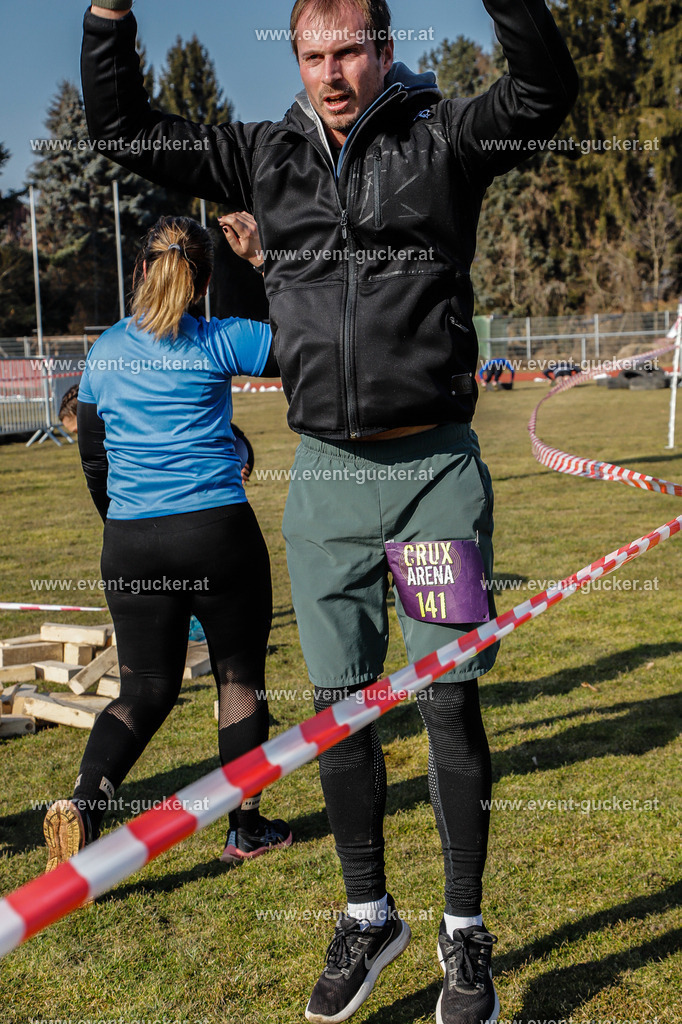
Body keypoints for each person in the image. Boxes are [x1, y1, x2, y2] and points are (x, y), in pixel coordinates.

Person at [81, 3, 578, 1021]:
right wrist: (106, 16)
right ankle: (367, 911)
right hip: (326, 485)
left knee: (447, 700)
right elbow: (124, 128)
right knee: (338, 707)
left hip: (433, 471)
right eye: (313, 55)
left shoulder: (440, 141)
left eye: (349, 50)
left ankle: (463, 935)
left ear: (384, 49)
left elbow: (542, 94)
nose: (332, 72)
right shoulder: (264, 157)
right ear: (296, 60)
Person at [43, 215, 292, 876]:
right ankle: (245, 828)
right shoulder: (221, 338)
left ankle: (87, 803)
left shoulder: (104, 353)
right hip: (217, 534)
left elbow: (93, 462)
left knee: (143, 690)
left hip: (132, 541)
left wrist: (121, 527)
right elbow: (305, 340)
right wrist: (266, 262)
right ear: (205, 282)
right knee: (239, 678)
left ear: (139, 272)